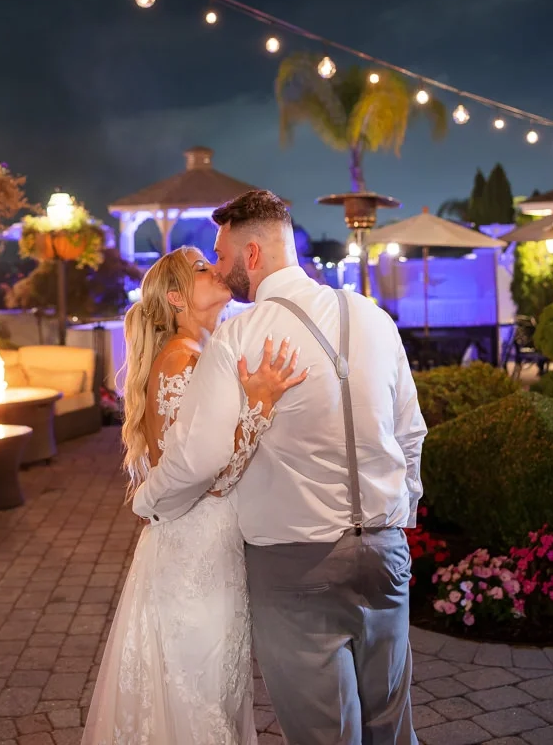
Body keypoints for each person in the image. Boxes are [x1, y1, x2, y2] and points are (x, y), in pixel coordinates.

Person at [134, 190, 428, 745]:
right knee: (391, 724)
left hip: (296, 565)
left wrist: (149, 500)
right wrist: (399, 515)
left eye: (221, 256)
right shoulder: (373, 317)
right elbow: (410, 432)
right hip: (387, 555)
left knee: (325, 734)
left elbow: (197, 457)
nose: (218, 268)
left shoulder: (241, 336)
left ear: (250, 255)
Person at [82, 245, 306, 745]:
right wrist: (262, 404)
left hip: (200, 539)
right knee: (199, 689)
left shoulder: (198, 352)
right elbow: (213, 474)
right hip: (195, 549)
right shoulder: (184, 360)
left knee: (209, 684)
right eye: (202, 269)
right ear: (179, 298)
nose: (217, 270)